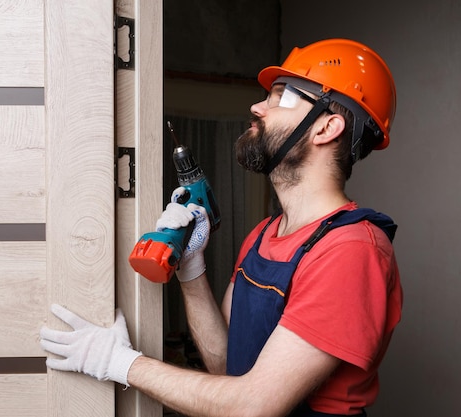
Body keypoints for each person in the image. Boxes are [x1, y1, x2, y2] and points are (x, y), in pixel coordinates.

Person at [39, 38, 403, 417]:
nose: (257, 106)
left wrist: (118, 363)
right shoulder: (265, 233)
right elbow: (226, 366)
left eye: (281, 96)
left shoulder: (351, 250)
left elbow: (253, 405)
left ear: (326, 127)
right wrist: (191, 268)